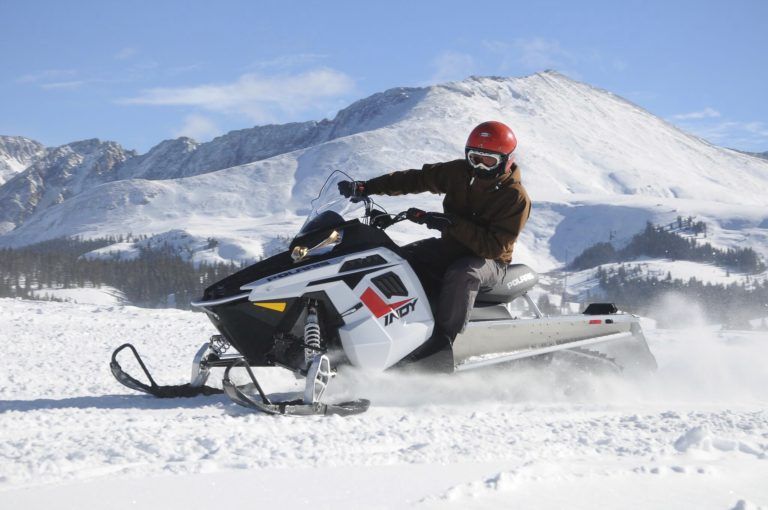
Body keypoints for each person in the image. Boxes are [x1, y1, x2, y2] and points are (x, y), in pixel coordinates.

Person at [338, 120, 531, 359]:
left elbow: (493, 247)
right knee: (397, 260)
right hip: (452, 246)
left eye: (488, 160)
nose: (479, 166)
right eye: (474, 158)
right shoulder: (458, 173)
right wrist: (367, 187)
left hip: (490, 262)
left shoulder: (515, 197)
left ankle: (441, 344)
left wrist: (451, 223)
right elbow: (415, 179)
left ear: (506, 160)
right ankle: (392, 329)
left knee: (465, 273)